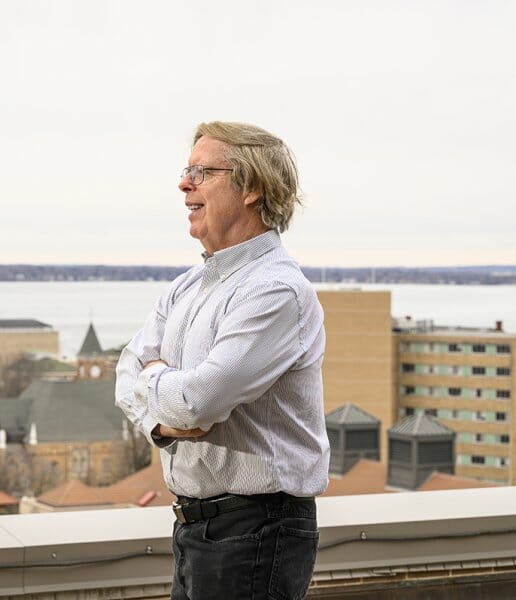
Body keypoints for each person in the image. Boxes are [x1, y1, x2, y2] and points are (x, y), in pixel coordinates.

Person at [115, 121, 330, 600]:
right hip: (197, 527)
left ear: (252, 187)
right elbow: (124, 373)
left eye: (202, 171)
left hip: (256, 530)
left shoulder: (275, 291)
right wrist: (161, 424)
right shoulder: (187, 287)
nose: (183, 183)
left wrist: (156, 381)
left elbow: (197, 401)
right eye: (186, 170)